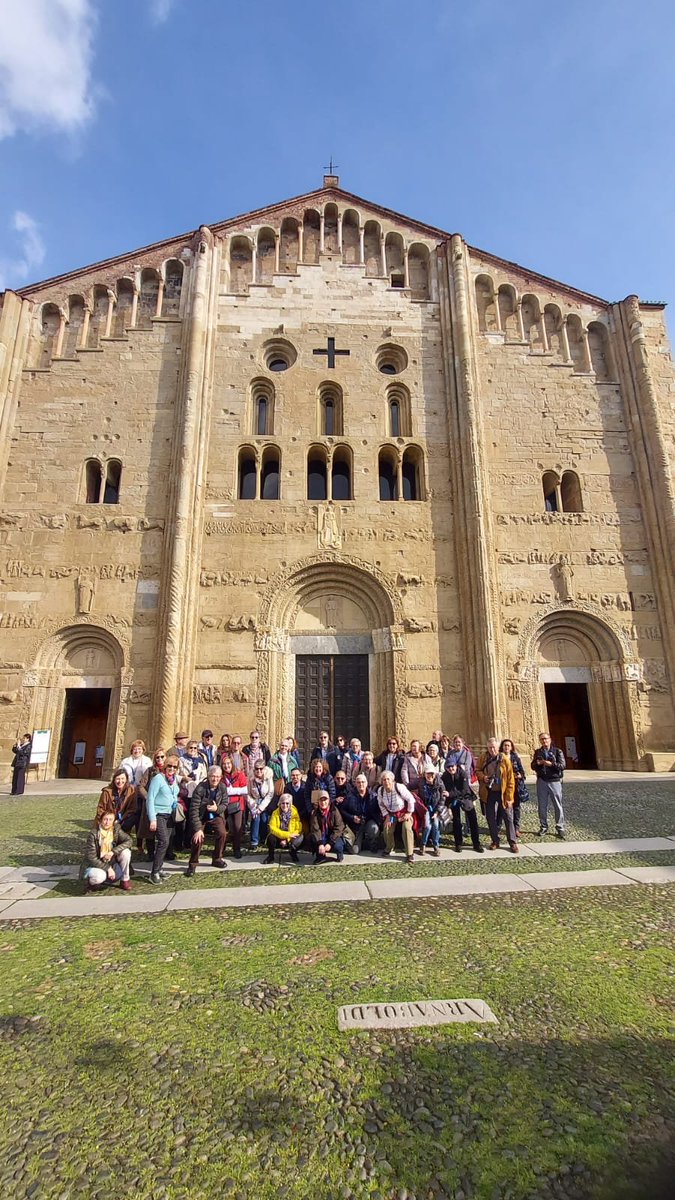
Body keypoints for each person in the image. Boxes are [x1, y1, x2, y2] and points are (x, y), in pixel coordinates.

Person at [185, 765, 230, 875]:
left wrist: (217, 809)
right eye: (213, 776)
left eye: (217, 777)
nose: (215, 779)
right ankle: (192, 864)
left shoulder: (222, 787)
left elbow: (225, 803)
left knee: (222, 833)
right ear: (208, 776)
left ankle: (217, 859)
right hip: (201, 816)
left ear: (221, 777)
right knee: (198, 838)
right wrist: (197, 829)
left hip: (215, 815)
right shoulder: (200, 788)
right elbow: (194, 809)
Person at [478, 737, 518, 852]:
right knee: (490, 817)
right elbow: (477, 770)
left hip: (502, 792)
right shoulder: (483, 758)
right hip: (489, 792)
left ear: (498, 747)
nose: (492, 750)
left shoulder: (504, 759)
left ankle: (512, 842)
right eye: (490, 747)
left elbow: (510, 779)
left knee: (508, 817)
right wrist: (483, 777)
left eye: (494, 747)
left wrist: (509, 798)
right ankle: (495, 840)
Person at [146, 754, 180, 883]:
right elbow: (150, 799)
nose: (172, 768)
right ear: (165, 766)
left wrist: (175, 801)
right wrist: (152, 819)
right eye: (170, 766)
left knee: (167, 842)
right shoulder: (158, 779)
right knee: (163, 841)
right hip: (159, 814)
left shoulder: (173, 779)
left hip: (169, 814)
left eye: (175, 767)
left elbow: (174, 793)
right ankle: (154, 872)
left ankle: (159, 868)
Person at [81, 810, 133, 892]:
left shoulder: (115, 830)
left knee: (126, 852)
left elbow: (129, 840)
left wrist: (113, 852)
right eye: (105, 819)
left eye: (110, 820)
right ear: (100, 821)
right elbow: (91, 857)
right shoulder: (94, 834)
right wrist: (108, 869)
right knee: (99, 877)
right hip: (95, 863)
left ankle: (125, 879)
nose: (107, 822)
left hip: (110, 860)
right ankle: (91, 883)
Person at [442, 759, 484, 853]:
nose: (451, 768)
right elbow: (444, 789)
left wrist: (450, 794)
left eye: (452, 766)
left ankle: (476, 843)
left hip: (465, 797)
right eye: (448, 767)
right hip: (454, 799)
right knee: (456, 821)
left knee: (472, 820)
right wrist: (447, 805)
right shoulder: (445, 776)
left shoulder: (463, 773)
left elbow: (464, 790)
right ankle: (458, 843)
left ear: (456, 766)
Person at [531, 732, 566, 838]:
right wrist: (538, 764)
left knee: (557, 805)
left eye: (545, 739)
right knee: (542, 805)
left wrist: (552, 764)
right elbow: (533, 766)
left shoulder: (557, 751)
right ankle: (543, 826)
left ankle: (560, 827)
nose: (544, 741)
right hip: (542, 780)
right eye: (542, 739)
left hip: (554, 780)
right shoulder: (538, 752)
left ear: (550, 739)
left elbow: (562, 765)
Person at [377, 770, 416, 864]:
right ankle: (389, 848)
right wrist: (387, 816)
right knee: (387, 827)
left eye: (388, 779)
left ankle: (409, 853)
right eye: (384, 780)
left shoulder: (399, 787)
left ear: (392, 780)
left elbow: (411, 799)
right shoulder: (381, 790)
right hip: (392, 815)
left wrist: (409, 813)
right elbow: (381, 804)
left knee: (406, 827)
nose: (386, 782)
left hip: (404, 813)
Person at [136, 748, 165, 859]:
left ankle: (166, 852)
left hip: (164, 804)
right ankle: (151, 853)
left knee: (165, 829)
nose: (160, 759)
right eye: (157, 757)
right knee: (149, 829)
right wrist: (148, 797)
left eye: (162, 756)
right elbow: (141, 786)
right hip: (151, 803)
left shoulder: (169, 769)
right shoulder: (150, 770)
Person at [341, 772, 381, 853]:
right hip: (355, 825)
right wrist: (352, 818)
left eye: (363, 782)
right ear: (355, 784)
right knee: (354, 851)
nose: (361, 784)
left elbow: (378, 811)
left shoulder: (373, 796)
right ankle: (363, 843)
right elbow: (342, 810)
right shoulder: (349, 796)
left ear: (367, 783)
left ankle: (373, 842)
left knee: (374, 828)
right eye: (358, 782)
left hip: (368, 821)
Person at [220, 753, 248, 858]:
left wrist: (230, 791)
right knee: (223, 829)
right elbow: (219, 790)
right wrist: (234, 791)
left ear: (232, 764)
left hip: (237, 805)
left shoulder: (239, 775)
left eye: (228, 763)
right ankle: (221, 849)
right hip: (224, 805)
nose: (226, 766)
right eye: (224, 764)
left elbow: (245, 789)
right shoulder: (221, 777)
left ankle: (236, 849)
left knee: (237, 828)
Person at [500, 738, 528, 838]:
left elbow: (522, 772)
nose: (506, 747)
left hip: (515, 786)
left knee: (516, 807)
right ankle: (502, 827)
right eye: (505, 745)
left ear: (511, 747)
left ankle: (516, 828)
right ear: (502, 747)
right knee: (502, 807)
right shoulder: (499, 757)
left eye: (508, 745)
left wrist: (520, 775)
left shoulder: (515, 758)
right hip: (503, 786)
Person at [265, 793, 304, 863]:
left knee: (300, 837)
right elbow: (272, 828)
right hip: (280, 837)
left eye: (287, 803)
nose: (285, 805)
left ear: (290, 804)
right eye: (283, 803)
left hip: (291, 838)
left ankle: (293, 853)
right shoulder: (275, 813)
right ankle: (271, 856)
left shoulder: (295, 813)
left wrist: (287, 839)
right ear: (280, 803)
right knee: (270, 837)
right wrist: (286, 836)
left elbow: (298, 828)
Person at [95, 768, 137, 832]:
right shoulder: (107, 791)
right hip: (108, 820)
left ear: (126, 779)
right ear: (114, 779)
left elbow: (132, 809)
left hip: (123, 819)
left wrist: (121, 819)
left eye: (122, 779)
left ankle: (124, 831)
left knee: (133, 818)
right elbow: (101, 809)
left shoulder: (131, 790)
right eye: (118, 779)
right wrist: (109, 820)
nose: (120, 781)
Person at [309, 791, 345, 863]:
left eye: (325, 800)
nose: (323, 802)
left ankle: (340, 854)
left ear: (329, 801)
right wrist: (320, 843)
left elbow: (339, 827)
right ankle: (320, 856)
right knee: (311, 839)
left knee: (338, 846)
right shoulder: (315, 813)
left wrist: (330, 843)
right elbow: (315, 829)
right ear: (318, 801)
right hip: (322, 835)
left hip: (333, 835)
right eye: (321, 800)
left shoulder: (334, 811)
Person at [417, 766, 446, 856]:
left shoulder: (439, 783)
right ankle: (423, 844)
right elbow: (410, 785)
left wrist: (437, 812)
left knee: (436, 825)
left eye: (431, 774)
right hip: (426, 808)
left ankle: (436, 845)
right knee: (427, 826)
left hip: (436, 808)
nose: (429, 776)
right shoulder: (421, 783)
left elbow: (442, 799)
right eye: (427, 774)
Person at [247, 760, 275, 850]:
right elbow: (247, 793)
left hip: (265, 800)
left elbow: (270, 793)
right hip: (254, 800)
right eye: (257, 769)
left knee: (264, 819)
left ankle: (263, 838)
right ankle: (254, 841)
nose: (259, 771)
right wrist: (253, 805)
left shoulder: (268, 777)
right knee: (256, 818)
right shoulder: (250, 778)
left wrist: (261, 806)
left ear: (264, 769)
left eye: (261, 769)